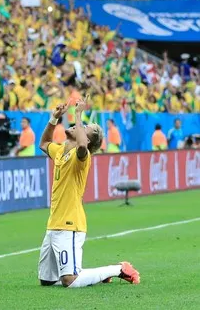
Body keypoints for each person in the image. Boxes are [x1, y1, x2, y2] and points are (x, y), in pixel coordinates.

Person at [38, 96, 140, 288]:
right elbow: (43, 144)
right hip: (53, 223)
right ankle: (96, 276)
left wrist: (78, 113)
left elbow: (83, 146)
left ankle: (119, 269)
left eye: (85, 128)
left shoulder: (81, 158)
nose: (80, 126)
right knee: (47, 280)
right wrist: (54, 119)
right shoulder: (61, 151)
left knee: (69, 280)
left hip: (70, 225)